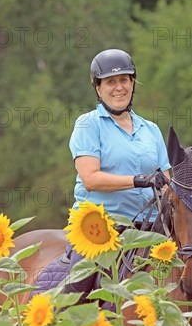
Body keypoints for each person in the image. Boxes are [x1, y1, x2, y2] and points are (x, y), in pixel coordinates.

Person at [63, 48, 171, 295]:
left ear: (133, 84)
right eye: (110, 81)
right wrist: (139, 180)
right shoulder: (88, 124)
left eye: (124, 79)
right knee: (79, 284)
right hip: (100, 227)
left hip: (149, 228)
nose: (118, 87)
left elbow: (166, 181)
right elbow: (90, 178)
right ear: (98, 89)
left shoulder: (151, 129)